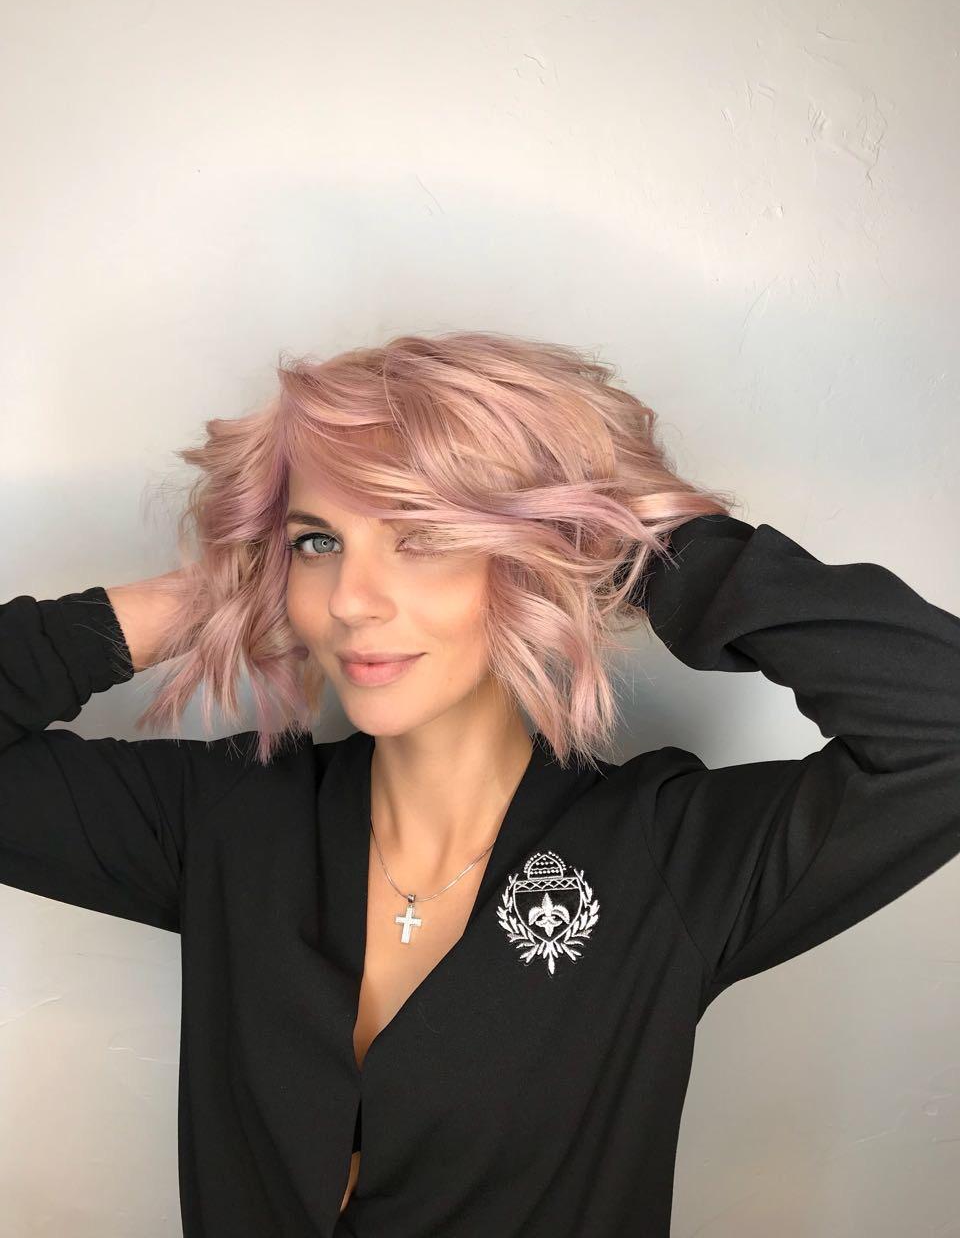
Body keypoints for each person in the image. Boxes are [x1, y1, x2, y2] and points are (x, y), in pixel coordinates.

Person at [2, 330, 958, 1237]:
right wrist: (211, 595)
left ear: (529, 552)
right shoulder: (223, 821)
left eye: (421, 536)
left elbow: (940, 731)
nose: (352, 601)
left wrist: (649, 544)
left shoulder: (664, 861)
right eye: (318, 542)